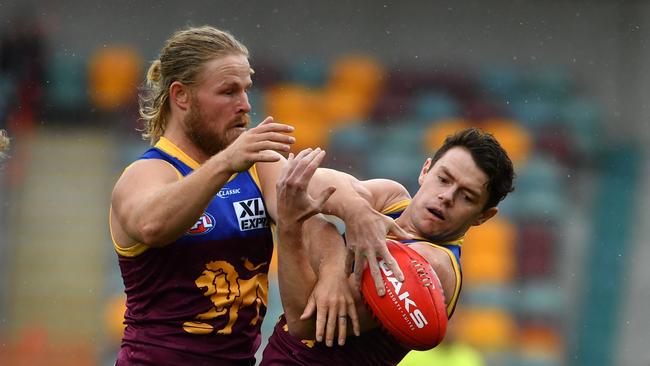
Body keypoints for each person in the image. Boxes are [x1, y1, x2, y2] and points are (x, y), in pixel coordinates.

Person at [109, 25, 407, 366]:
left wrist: (337, 257)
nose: (245, 105)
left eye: (246, 90)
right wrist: (226, 163)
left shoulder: (256, 168)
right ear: (181, 96)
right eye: (228, 92)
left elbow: (313, 201)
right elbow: (153, 225)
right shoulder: (146, 173)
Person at [261, 127, 515, 365]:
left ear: (483, 216)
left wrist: (291, 226)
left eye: (466, 196)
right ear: (426, 170)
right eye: (444, 179)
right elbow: (305, 182)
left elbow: (304, 323)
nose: (447, 197)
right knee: (264, 156)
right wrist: (352, 220)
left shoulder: (433, 265)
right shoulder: (392, 199)